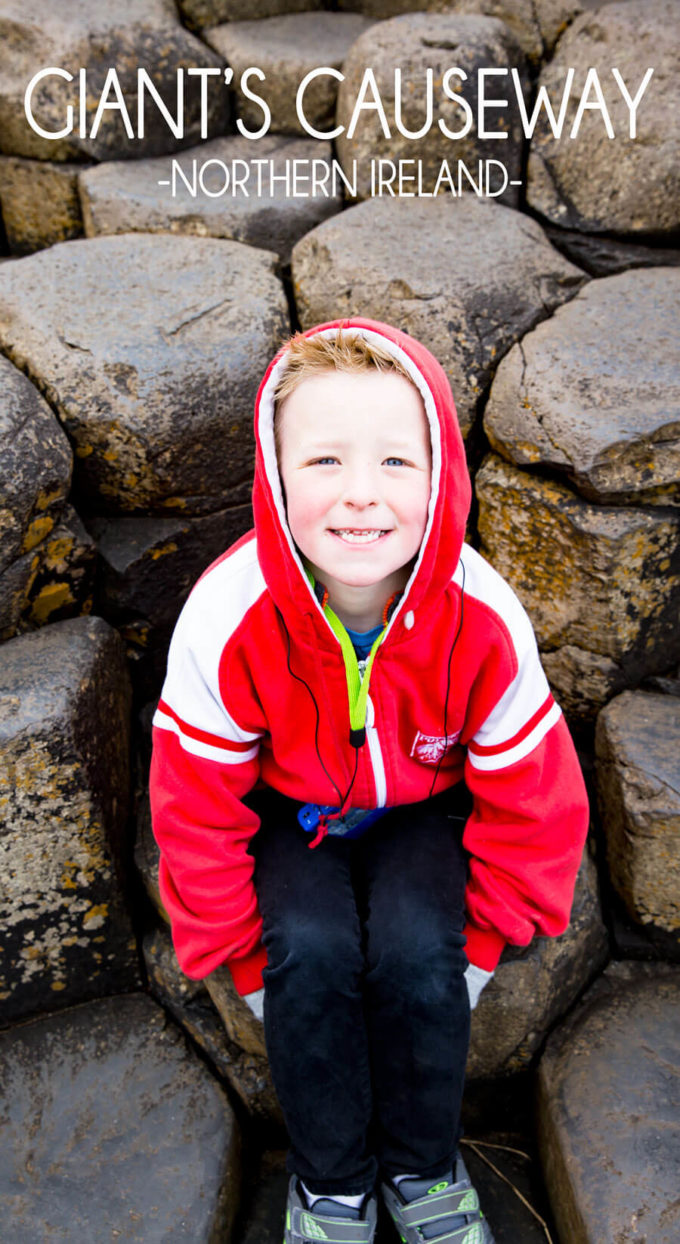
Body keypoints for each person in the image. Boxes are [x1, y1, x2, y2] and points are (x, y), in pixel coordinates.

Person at [150, 318, 589, 1244]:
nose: (360, 497)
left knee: (419, 949)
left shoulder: (482, 615)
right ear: (273, 476)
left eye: (396, 462)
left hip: (425, 807)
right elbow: (193, 806)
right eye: (323, 463)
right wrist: (242, 960)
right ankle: (331, 1184)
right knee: (304, 951)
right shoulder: (227, 615)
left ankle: (424, 1169)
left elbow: (536, 797)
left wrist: (484, 945)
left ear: (442, 477)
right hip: (287, 810)